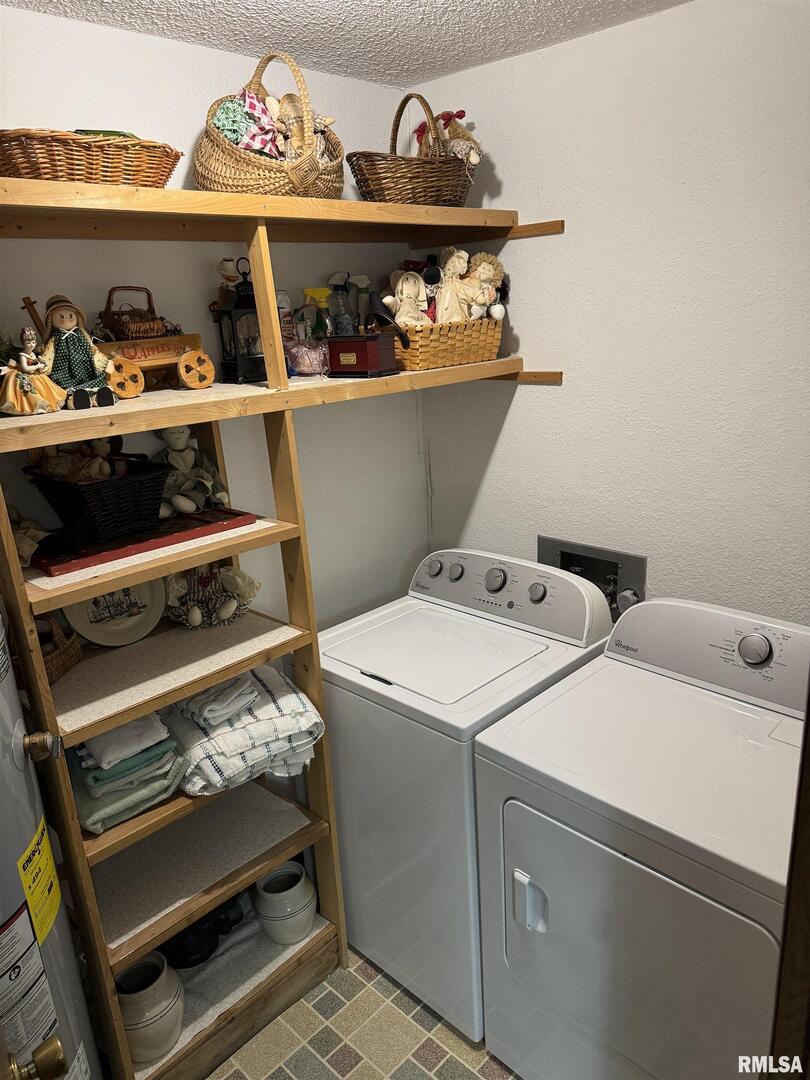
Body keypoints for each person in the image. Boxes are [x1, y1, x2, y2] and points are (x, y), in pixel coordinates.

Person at [39, 295, 115, 409]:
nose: (66, 319)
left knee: (97, 381)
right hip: (65, 376)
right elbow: (48, 356)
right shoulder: (55, 340)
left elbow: (93, 351)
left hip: (87, 373)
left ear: (77, 317)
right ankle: (75, 399)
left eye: (70, 316)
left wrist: (104, 362)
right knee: (68, 390)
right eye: (61, 317)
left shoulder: (82, 336)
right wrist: (42, 365)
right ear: (51, 320)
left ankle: (98, 397)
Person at [0, 326, 67, 415]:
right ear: (23, 343)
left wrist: (41, 365)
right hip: (26, 374)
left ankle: (45, 403)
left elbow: (34, 363)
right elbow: (26, 368)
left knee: (45, 386)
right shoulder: (23, 355)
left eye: (33, 342)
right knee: (28, 388)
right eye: (28, 343)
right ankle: (29, 406)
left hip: (35, 373)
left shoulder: (32, 354)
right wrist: (37, 366)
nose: (31, 345)